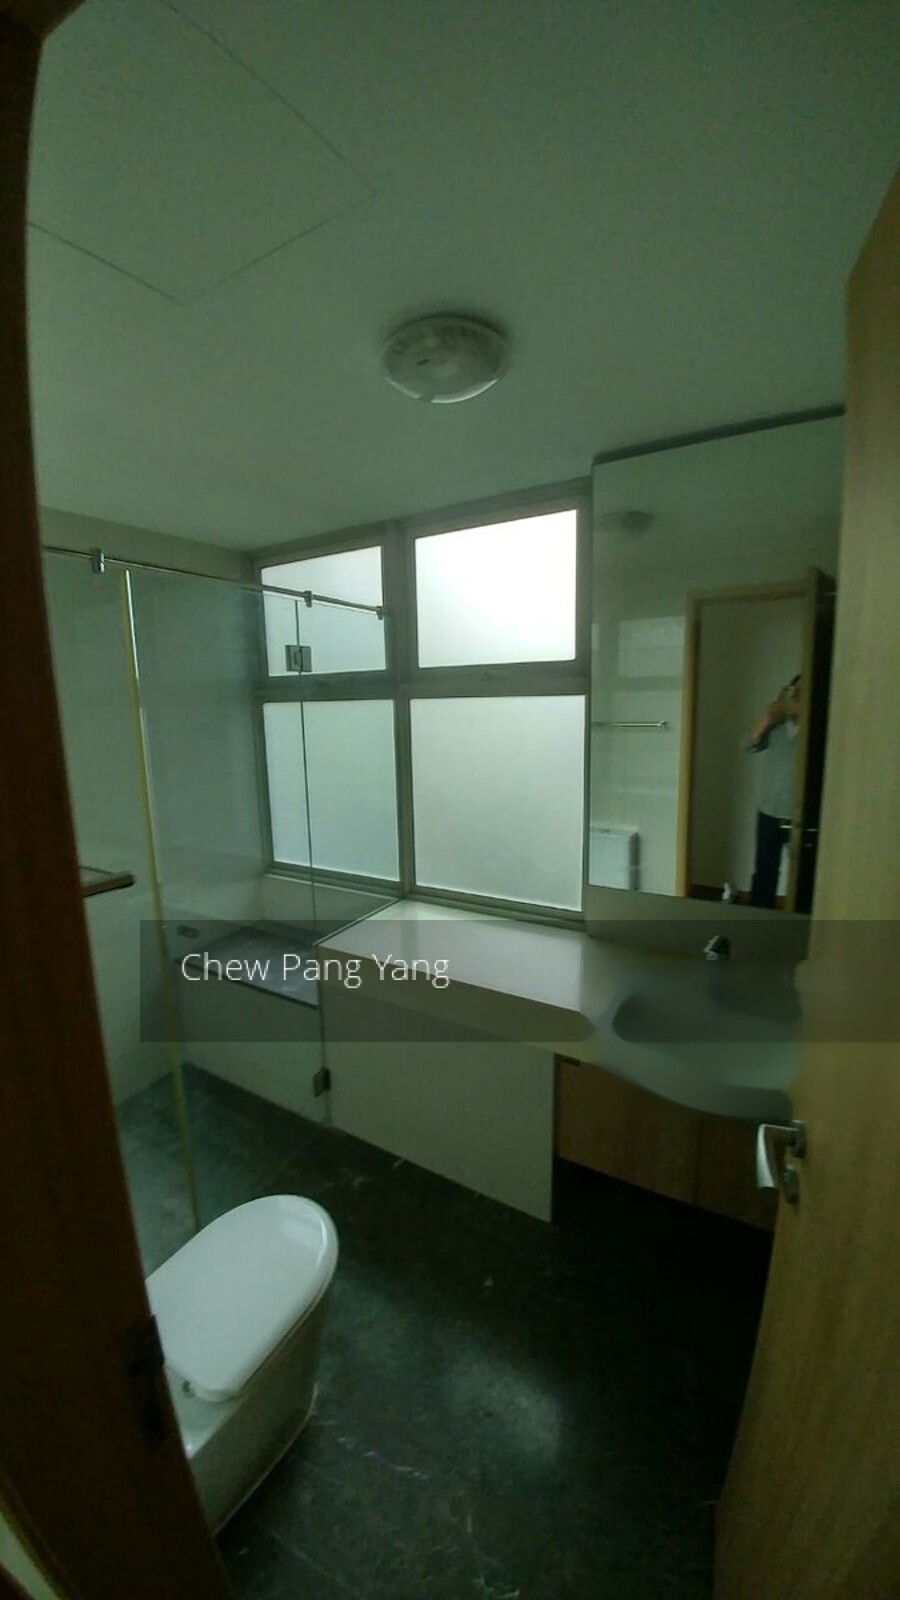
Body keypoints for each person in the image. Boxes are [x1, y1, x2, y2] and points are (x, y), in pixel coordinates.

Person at [745, 675, 801, 907]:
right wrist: (767, 719)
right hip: (769, 811)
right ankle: (758, 918)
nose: (796, 698)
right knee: (764, 871)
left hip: (799, 817)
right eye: (794, 692)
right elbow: (748, 745)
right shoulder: (776, 728)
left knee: (803, 875)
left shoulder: (818, 729)